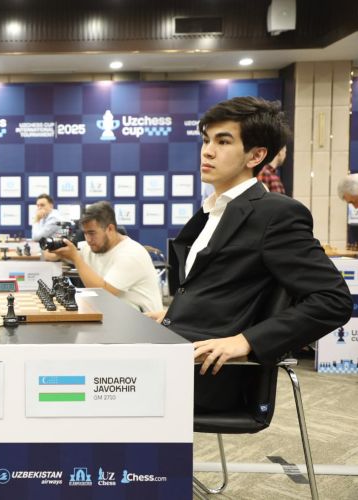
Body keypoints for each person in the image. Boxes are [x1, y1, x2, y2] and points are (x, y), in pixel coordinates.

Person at [146, 97, 352, 412]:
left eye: (223, 141)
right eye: (206, 140)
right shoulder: (215, 211)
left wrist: (247, 341)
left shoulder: (275, 214)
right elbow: (227, 290)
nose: (207, 151)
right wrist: (175, 314)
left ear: (256, 155)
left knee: (94, 387)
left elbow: (333, 300)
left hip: (216, 373)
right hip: (183, 352)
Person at [46, 201, 162, 313]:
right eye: (85, 233)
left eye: (92, 233)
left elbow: (103, 292)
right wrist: (56, 251)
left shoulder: (131, 254)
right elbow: (50, 255)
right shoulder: (92, 247)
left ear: (110, 229)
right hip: (114, 314)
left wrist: (75, 258)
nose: (88, 239)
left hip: (143, 321)